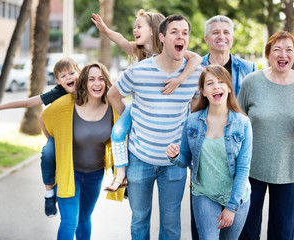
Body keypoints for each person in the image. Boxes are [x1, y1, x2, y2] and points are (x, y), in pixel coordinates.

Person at [107, 14, 203, 239]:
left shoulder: (195, 73)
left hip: (175, 163)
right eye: (174, 32)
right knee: (140, 220)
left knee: (171, 224)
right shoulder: (139, 71)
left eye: (185, 33)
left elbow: (198, 102)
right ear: (162, 37)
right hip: (140, 160)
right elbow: (113, 95)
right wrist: (133, 121)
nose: (181, 37)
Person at [92, 9, 202, 191]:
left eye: (139, 26)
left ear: (154, 31)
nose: (135, 30)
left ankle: (192, 169)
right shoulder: (136, 49)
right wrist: (105, 30)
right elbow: (119, 38)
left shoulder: (169, 48)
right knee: (118, 131)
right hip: (140, 106)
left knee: (188, 132)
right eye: (134, 27)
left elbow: (196, 58)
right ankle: (120, 175)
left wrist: (180, 79)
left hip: (168, 107)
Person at [238, 31, 294, 240]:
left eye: (289, 50)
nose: (283, 54)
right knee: (247, 229)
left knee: (282, 232)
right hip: (251, 168)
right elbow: (238, 123)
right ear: (268, 54)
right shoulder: (251, 82)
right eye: (277, 49)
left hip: (289, 169)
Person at [0, 58, 81, 217]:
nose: (68, 78)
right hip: (60, 135)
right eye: (63, 76)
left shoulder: (87, 88)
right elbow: (28, 103)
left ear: (79, 73)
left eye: (72, 73)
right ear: (57, 81)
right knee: (47, 153)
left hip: (82, 134)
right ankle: (49, 194)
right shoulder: (58, 92)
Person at [190, 15, 258, 240]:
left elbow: (253, 108)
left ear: (232, 37)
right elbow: (189, 107)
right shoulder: (194, 67)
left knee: (237, 229)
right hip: (206, 150)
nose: (221, 36)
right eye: (216, 32)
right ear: (206, 38)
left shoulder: (249, 69)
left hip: (236, 153)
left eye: (226, 32)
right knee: (203, 228)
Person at [166, 65, 252, 239]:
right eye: (210, 83)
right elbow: (185, 160)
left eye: (221, 82)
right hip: (205, 193)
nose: (216, 87)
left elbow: (243, 168)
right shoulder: (192, 121)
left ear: (229, 87)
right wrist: (175, 157)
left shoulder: (243, 123)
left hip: (236, 197)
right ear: (203, 91)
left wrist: (231, 207)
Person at [41, 62, 121, 239]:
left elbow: (122, 136)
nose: (97, 83)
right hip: (69, 173)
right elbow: (44, 118)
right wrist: (55, 142)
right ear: (84, 82)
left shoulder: (112, 106)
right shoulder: (66, 104)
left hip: (95, 174)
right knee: (70, 221)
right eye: (91, 79)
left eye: (101, 79)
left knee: (84, 218)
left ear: (106, 81)